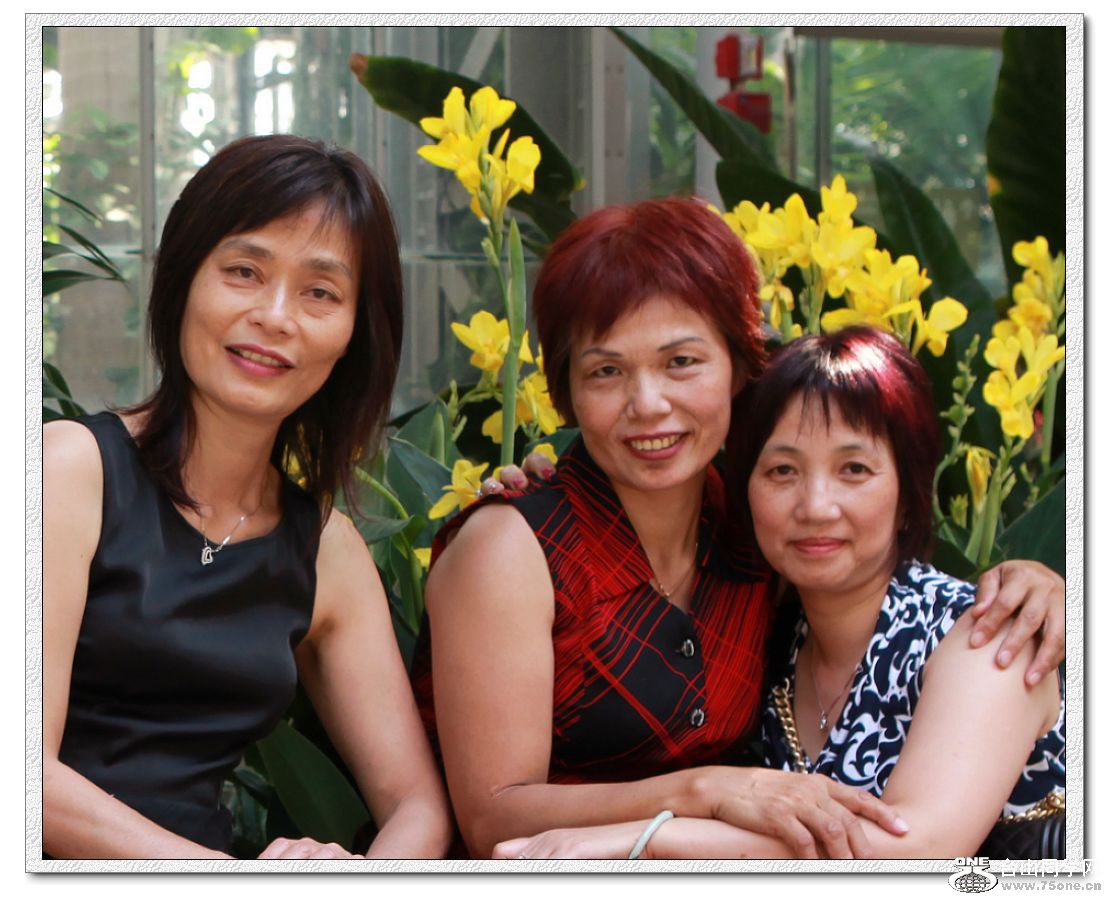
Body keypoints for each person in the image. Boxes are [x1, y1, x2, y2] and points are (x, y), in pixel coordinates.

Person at [411, 197, 1064, 860]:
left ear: (739, 364)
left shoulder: (752, 531)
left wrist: (1040, 578)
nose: (648, 404)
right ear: (565, 391)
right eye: (606, 371)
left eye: (681, 362)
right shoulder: (516, 548)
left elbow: (914, 839)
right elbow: (493, 820)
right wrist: (707, 790)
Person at [43, 135, 452, 860]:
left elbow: (417, 805)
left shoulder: (324, 548)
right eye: (243, 271)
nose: (276, 315)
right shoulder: (68, 471)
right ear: (183, 280)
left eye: (320, 292)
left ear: (353, 334)